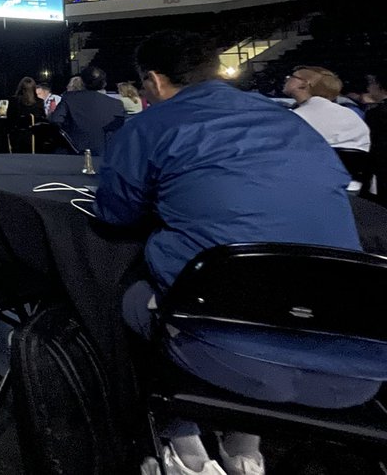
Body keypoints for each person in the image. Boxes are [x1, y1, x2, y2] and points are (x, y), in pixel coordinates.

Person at [97, 31, 386, 475]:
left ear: (153, 81)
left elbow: (116, 213)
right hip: (358, 363)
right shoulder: (294, 123)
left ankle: (179, 438)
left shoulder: (150, 126)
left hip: (231, 355)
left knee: (126, 292)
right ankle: (243, 442)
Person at [284, 66, 371, 152]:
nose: (286, 79)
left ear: (304, 84)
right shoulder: (351, 114)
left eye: (292, 77)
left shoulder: (295, 117)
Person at [49, 66, 127, 156]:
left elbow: (55, 121)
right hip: (106, 154)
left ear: (82, 81)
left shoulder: (69, 98)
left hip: (75, 152)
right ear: (104, 84)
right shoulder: (116, 104)